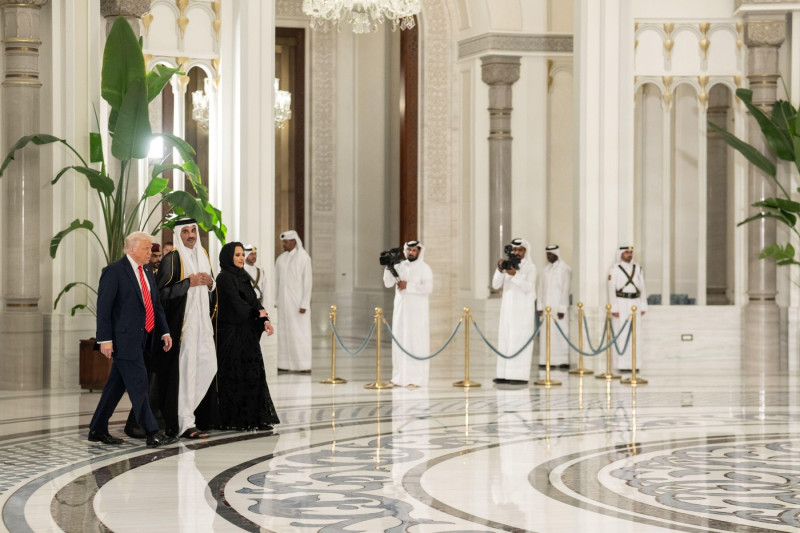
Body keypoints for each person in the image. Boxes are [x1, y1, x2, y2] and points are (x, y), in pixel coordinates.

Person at [88, 231, 176, 448]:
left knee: (115, 386)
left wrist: (164, 331)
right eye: (146, 248)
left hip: (145, 337)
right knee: (139, 384)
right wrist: (104, 339)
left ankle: (97, 429)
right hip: (123, 340)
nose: (151, 252)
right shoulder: (114, 271)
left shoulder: (147, 270)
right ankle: (152, 431)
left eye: (151, 248)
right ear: (132, 248)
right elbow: (104, 308)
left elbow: (154, 304)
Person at [156, 219, 218, 439]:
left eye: (193, 230)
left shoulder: (203, 254)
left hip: (203, 324)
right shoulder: (172, 259)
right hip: (183, 327)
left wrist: (211, 283)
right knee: (186, 373)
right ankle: (184, 422)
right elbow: (160, 295)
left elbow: (211, 291)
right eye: (185, 231)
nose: (190, 235)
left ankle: (191, 415)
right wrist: (186, 284)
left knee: (209, 365)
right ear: (177, 235)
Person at [215, 242, 280, 430]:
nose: (242, 258)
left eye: (242, 254)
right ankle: (236, 420)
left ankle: (255, 417)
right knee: (236, 376)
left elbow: (254, 301)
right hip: (231, 337)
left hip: (248, 336)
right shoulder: (224, 278)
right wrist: (255, 314)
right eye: (237, 255)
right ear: (229, 257)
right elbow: (236, 305)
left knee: (254, 374)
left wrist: (265, 319)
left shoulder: (243, 276)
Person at [382, 240, 434, 388]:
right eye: (409, 250)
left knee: (415, 344)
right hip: (400, 312)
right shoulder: (399, 266)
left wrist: (408, 286)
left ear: (419, 251)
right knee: (398, 342)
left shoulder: (425, 268)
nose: (411, 253)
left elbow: (428, 288)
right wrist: (388, 267)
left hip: (417, 314)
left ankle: (416, 379)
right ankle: (398, 377)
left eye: (414, 250)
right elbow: (387, 283)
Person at [492, 238, 537, 385]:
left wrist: (514, 275)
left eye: (520, 250)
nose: (516, 252)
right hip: (507, 310)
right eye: (515, 250)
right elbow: (495, 285)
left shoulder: (531, 267)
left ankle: (519, 376)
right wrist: (500, 270)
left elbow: (528, 287)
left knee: (518, 340)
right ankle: (503, 374)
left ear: (525, 251)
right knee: (505, 340)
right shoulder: (508, 264)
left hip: (522, 311)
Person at [275, 230, 313, 373]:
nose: (284, 244)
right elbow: (276, 282)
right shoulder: (280, 259)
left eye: (286, 242)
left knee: (300, 334)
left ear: (294, 241)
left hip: (298, 305)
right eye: (283, 242)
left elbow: (308, 283)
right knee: (284, 333)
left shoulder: (304, 258)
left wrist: (304, 303)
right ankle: (284, 364)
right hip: (283, 305)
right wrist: (275, 301)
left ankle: (303, 365)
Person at [608, 245, 647, 371]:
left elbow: (642, 287)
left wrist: (643, 305)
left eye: (631, 252)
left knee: (636, 333)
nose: (629, 254)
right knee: (622, 333)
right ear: (621, 254)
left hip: (635, 302)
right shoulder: (614, 270)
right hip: (621, 302)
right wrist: (614, 308)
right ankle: (623, 364)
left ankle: (636, 364)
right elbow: (611, 290)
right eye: (626, 252)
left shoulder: (638, 268)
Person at [537, 245, 572, 369]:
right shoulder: (545, 270)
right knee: (546, 334)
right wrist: (539, 306)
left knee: (560, 333)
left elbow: (565, 290)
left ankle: (562, 360)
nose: (548, 257)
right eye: (547, 254)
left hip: (558, 309)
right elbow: (540, 289)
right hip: (547, 309)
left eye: (550, 254)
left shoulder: (565, 269)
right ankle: (546, 359)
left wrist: (562, 308)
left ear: (556, 254)